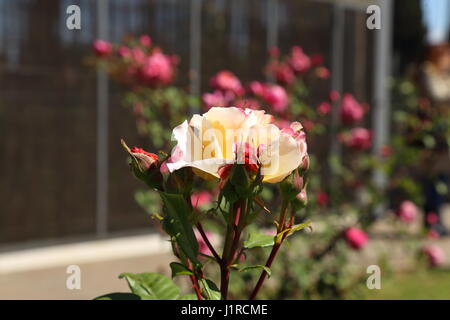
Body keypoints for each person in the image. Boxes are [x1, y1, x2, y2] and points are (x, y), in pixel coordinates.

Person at [420, 42, 450, 236]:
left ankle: (437, 219)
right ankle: (431, 220)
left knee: (442, 178)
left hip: (443, 132)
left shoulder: (442, 74)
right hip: (431, 134)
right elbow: (438, 95)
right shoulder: (428, 71)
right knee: (433, 177)